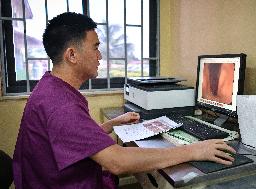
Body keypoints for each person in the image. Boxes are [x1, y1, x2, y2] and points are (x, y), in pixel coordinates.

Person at [13, 12, 236, 189]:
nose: (100, 56)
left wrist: (111, 124)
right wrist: (194, 150)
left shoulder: (51, 87)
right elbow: (117, 162)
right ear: (72, 55)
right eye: (95, 47)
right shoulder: (61, 105)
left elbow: (68, 137)